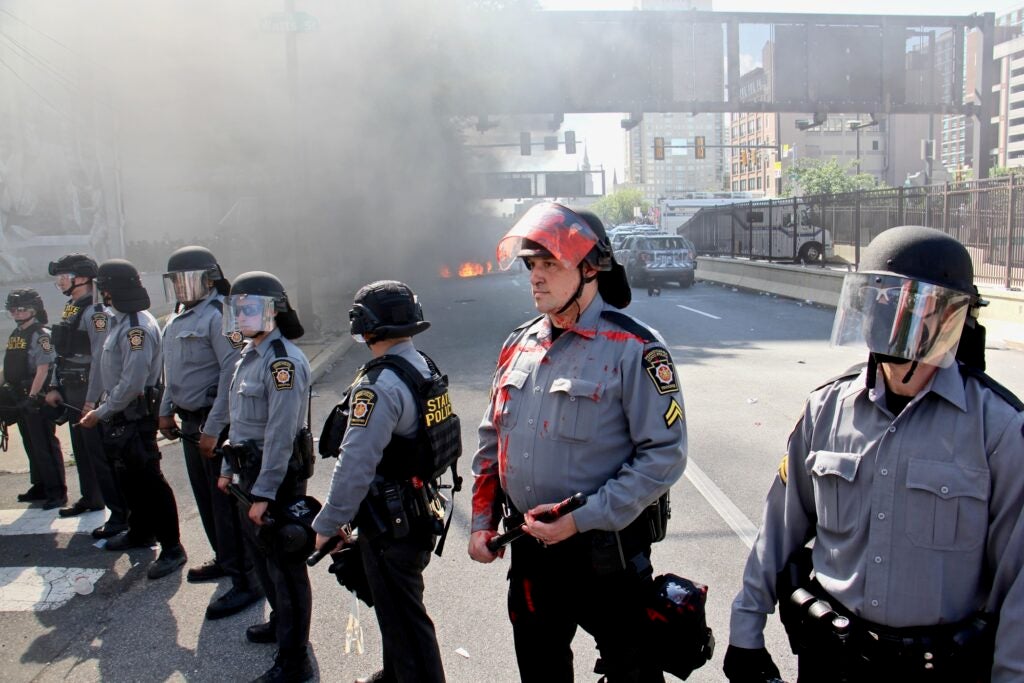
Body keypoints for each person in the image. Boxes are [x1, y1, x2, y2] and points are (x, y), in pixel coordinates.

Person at [724, 225, 1024, 682]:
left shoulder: (999, 429)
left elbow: (1018, 581)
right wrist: (745, 631)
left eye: (906, 306)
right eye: (876, 302)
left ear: (950, 319)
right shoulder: (827, 409)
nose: (884, 322)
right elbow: (777, 530)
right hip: (831, 659)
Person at [468, 203, 688, 682]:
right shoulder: (518, 344)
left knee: (633, 672)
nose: (536, 277)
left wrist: (580, 519)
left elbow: (664, 455)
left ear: (590, 269)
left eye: (551, 264)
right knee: (541, 671)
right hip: (530, 551)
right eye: (532, 265)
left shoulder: (636, 348)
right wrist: (481, 522)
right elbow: (492, 441)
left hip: (606, 557)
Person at [312, 280, 453, 683]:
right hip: (415, 509)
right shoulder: (420, 364)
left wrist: (326, 525)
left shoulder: (379, 386)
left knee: (406, 619)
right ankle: (395, 674)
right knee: (397, 611)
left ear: (366, 325)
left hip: (390, 523)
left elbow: (354, 464)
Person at [216, 271, 314, 683]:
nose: (240, 315)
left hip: (272, 481)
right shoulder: (248, 357)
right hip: (246, 477)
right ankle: (280, 626)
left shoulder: (283, 363)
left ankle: (295, 662)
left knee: (286, 569)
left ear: (273, 311)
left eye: (249, 308)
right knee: (263, 562)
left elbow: (280, 435)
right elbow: (238, 426)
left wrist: (264, 494)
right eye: (236, 309)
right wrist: (227, 471)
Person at [157, 246, 260, 619]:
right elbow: (173, 370)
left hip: (214, 423)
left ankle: (246, 579)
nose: (181, 289)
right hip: (189, 421)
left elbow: (232, 375)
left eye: (187, 280)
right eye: (175, 282)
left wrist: (213, 430)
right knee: (205, 498)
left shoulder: (222, 316)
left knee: (227, 504)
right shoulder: (178, 317)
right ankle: (225, 558)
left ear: (209, 278)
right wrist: (165, 411)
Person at [78, 259, 186, 581]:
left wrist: (101, 411)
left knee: (150, 480)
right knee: (129, 478)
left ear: (112, 289)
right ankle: (140, 532)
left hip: (133, 413)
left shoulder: (136, 326)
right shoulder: (118, 320)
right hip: (119, 413)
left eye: (104, 287)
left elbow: (133, 381)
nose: (102, 294)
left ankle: (172, 547)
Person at [42, 253, 129, 538]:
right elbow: (60, 352)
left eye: (64, 276)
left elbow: (101, 359)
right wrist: (54, 385)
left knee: (98, 452)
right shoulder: (72, 307)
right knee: (81, 447)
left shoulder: (96, 311)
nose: (60, 282)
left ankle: (119, 514)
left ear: (82, 278)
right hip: (71, 385)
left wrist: (92, 400)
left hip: (88, 386)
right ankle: (91, 497)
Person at [1, 289, 66, 508]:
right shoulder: (17, 334)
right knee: (30, 443)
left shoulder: (42, 335)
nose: (17, 314)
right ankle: (40, 485)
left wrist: (32, 397)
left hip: (35, 396)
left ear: (33, 310)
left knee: (44, 444)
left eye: (21, 309)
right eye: (13, 310)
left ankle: (57, 491)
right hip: (18, 397)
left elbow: (44, 367)